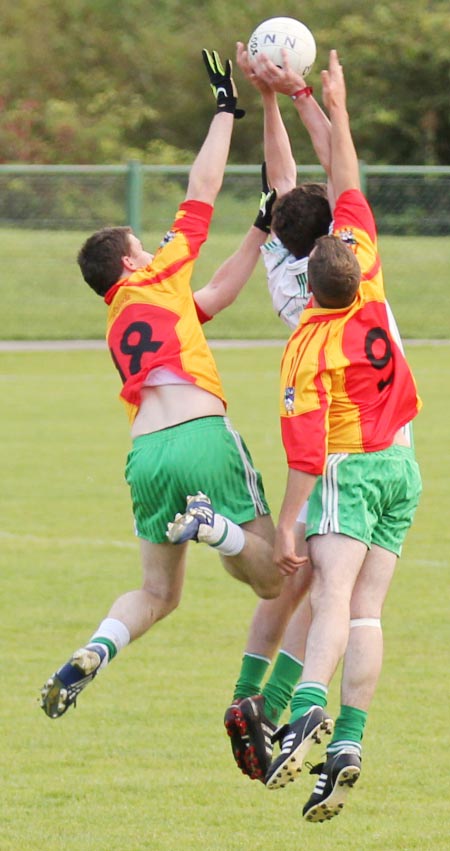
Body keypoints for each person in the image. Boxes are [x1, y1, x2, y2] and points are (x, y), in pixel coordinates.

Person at [40, 50, 290, 721]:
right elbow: (200, 187)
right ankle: (219, 528)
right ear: (129, 262)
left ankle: (90, 652)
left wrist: (260, 228)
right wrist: (223, 110)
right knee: (272, 577)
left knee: (158, 591)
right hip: (202, 435)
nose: (155, 249)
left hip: (146, 456)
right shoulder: (157, 275)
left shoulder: (125, 314)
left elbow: (215, 296)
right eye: (142, 246)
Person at [259, 49, 422, 822]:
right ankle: (350, 740)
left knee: (329, 596)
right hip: (404, 461)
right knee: (368, 613)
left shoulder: (303, 325)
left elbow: (305, 450)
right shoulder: (367, 263)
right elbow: (343, 173)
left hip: (350, 467)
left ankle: (308, 708)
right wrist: (325, 101)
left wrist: (289, 520)